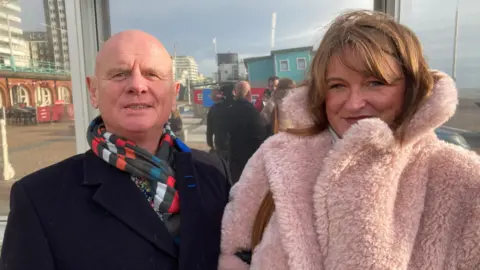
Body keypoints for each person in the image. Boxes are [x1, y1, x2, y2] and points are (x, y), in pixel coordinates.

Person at [219, 10, 480, 269]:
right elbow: (234, 247)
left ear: (411, 87)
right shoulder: (277, 156)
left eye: (376, 83)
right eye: (337, 86)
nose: (354, 104)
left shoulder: (463, 180)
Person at [1, 30, 231, 270]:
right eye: (120, 74)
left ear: (173, 94)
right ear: (93, 91)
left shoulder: (214, 174)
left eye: (152, 74)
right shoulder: (39, 199)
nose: (137, 85)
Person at [226, 81, 267, 184]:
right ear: (249, 93)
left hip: (234, 153)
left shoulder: (229, 110)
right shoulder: (252, 111)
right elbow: (259, 134)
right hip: (249, 155)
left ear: (235, 92)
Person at [206, 84, 234, 162]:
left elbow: (209, 128)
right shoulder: (233, 106)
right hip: (231, 143)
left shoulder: (214, 108)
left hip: (220, 143)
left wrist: (210, 142)